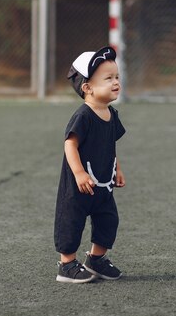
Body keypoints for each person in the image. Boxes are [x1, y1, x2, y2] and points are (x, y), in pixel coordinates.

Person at [54, 46, 127, 284]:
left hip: (103, 184)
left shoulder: (111, 114)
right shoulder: (83, 116)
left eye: (116, 77)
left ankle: (96, 259)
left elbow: (110, 145)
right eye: (108, 78)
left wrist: (117, 168)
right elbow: (70, 145)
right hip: (79, 186)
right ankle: (66, 264)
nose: (116, 82)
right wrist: (79, 173)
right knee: (71, 222)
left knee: (108, 220)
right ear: (88, 88)